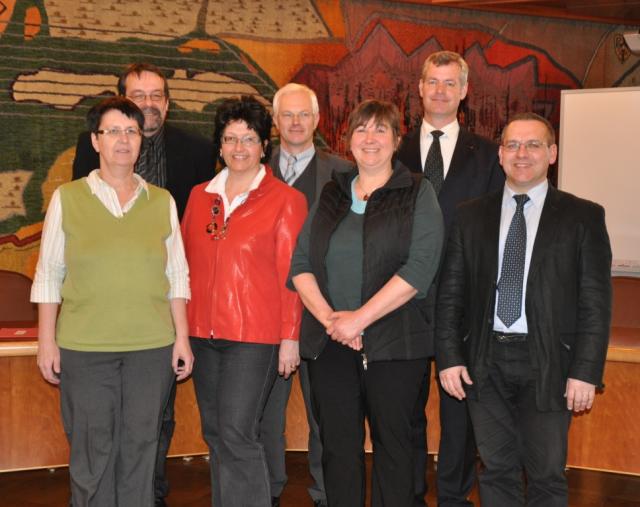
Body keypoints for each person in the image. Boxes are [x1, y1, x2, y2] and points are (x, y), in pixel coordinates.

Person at [436, 113, 612, 507]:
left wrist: (586, 371)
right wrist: (449, 358)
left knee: (546, 475)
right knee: (496, 471)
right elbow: (451, 295)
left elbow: (596, 303)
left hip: (548, 362)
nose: (522, 154)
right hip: (484, 361)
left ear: (552, 153)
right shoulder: (469, 215)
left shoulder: (583, 216)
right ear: (499, 155)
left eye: (533, 145)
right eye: (513, 145)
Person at [31, 96, 194, 507]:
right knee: (92, 448)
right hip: (85, 348)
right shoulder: (68, 198)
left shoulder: (162, 201)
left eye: (132, 131)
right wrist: (46, 342)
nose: (123, 140)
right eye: (113, 131)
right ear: (96, 140)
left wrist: (182, 338)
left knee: (141, 445)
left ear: (141, 140)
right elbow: (49, 274)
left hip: (151, 348)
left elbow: (177, 275)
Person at [72, 63, 214, 506]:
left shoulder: (198, 151)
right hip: (101, 318)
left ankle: (149, 493)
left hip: (162, 311)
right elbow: (78, 230)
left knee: (154, 418)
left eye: (156, 95)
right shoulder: (89, 151)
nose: (148, 103)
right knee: (100, 426)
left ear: (167, 105)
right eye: (138, 95)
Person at [291, 99, 444, 507]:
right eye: (361, 129)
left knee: (395, 450)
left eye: (380, 129)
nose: (370, 138)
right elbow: (301, 263)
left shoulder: (417, 190)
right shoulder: (333, 191)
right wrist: (332, 321)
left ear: (396, 140)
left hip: (396, 343)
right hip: (331, 343)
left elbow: (420, 269)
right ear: (348, 140)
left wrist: (359, 320)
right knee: (338, 448)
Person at [181, 95, 308, 507]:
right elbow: (182, 266)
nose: (239, 147)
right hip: (202, 334)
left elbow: (293, 276)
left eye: (249, 138)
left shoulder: (286, 199)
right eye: (230, 138)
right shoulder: (198, 196)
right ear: (219, 145)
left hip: (255, 337)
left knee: (238, 433)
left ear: (264, 146)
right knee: (216, 434)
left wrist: (290, 336)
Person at [396, 50, 505, 507]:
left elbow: (498, 229)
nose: (440, 91)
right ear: (419, 88)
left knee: (460, 411)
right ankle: (409, 494)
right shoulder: (392, 149)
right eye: (432, 82)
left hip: (465, 302)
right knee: (404, 409)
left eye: (449, 83)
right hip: (401, 300)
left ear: (464, 91)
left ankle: (454, 498)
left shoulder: (490, 155)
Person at [261, 82, 352, 507]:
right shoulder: (253, 169)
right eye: (287, 114)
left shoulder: (344, 173)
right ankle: (266, 490)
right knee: (265, 415)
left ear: (316, 120)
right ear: (275, 120)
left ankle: (325, 493)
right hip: (267, 314)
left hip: (325, 314)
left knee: (325, 417)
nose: (296, 122)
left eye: (304, 114)